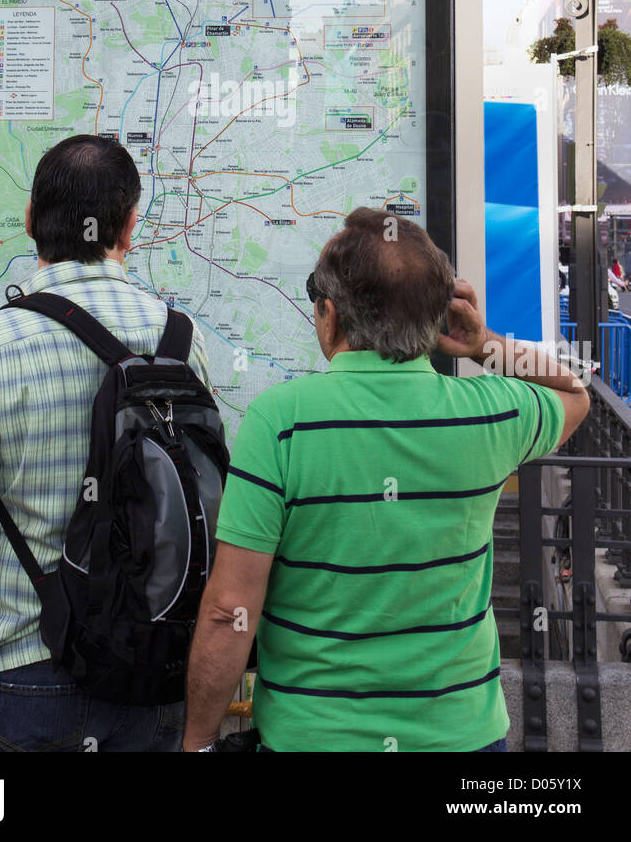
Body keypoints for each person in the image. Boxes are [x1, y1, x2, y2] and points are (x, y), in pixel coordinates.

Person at [183, 207, 590, 753]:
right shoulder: (491, 414)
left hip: (314, 738)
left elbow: (227, 611)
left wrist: (199, 740)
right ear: (440, 315)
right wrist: (483, 343)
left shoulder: (280, 423)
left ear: (330, 316)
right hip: (462, 738)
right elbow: (574, 393)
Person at [0, 134, 211, 752]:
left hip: (18, 674)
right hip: (148, 670)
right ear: (128, 227)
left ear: (28, 223)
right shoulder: (181, 341)